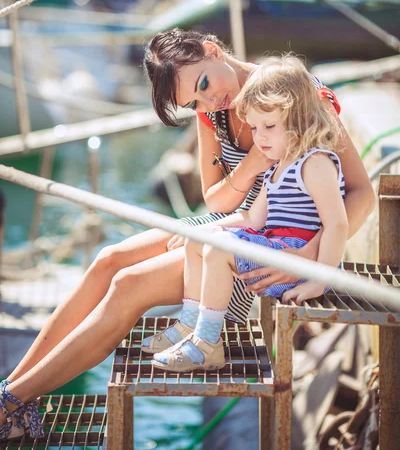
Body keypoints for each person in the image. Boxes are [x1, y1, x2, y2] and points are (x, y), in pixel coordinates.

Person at [0, 29, 374, 440]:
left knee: (128, 284)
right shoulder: (211, 111)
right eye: (193, 101)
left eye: (204, 85)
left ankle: (9, 404)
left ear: (212, 50)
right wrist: (251, 165)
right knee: (108, 260)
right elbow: (215, 201)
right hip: (241, 224)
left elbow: (361, 194)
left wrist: (307, 257)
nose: (208, 102)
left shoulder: (299, 95)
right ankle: (15, 391)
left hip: (271, 249)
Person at [149, 54, 347, 371]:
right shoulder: (276, 168)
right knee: (198, 242)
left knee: (217, 250)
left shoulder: (315, 163)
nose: (260, 138)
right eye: (255, 128)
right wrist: (198, 232)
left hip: (299, 260)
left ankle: (207, 344)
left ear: (298, 117)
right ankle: (190, 325)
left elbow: (337, 224)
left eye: (269, 126)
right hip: (274, 246)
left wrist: (320, 281)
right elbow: (252, 219)